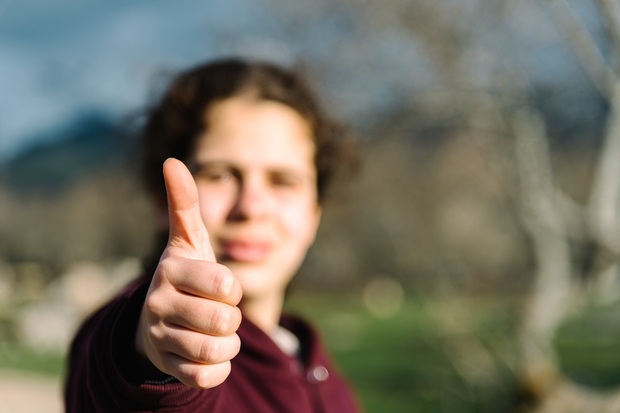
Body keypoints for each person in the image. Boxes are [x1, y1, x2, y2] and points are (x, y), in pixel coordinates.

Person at [64, 57, 361, 412]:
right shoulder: (124, 336)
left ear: (314, 213)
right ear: (163, 201)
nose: (251, 207)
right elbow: (121, 385)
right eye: (221, 175)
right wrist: (151, 357)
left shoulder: (314, 361)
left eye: (283, 181)